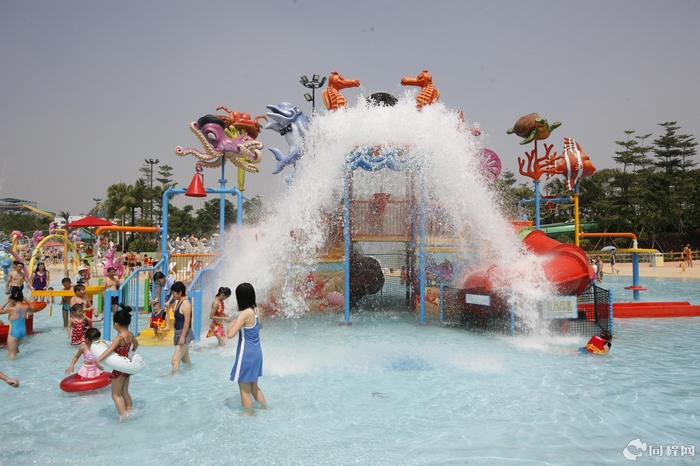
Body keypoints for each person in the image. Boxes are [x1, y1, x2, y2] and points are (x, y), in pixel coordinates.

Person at [227, 283, 267, 414]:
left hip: (246, 354)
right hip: (257, 352)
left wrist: (233, 322)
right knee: (254, 386)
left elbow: (230, 334)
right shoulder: (256, 310)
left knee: (244, 389)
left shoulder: (244, 314)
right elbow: (260, 326)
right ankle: (265, 408)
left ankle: (249, 413)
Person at [95, 305, 139, 418]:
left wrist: (98, 360)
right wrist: (132, 352)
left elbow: (109, 350)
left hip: (119, 369)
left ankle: (124, 416)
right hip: (126, 368)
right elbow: (136, 344)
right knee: (125, 391)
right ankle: (130, 411)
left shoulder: (119, 338)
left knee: (115, 395)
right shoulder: (130, 335)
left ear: (116, 324)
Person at [0, 290, 43, 358]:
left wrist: (6, 301)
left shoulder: (12, 309)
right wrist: (26, 300)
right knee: (16, 350)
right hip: (23, 332)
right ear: (22, 299)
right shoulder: (25, 308)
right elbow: (33, 308)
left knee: (11, 354)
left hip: (14, 332)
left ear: (12, 300)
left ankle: (13, 365)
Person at [169, 281, 194, 373]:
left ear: (179, 292)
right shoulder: (178, 301)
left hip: (184, 334)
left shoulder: (185, 303)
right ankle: (192, 374)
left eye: (173, 293)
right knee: (185, 360)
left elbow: (187, 320)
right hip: (178, 333)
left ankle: (174, 377)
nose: (172, 295)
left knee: (175, 360)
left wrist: (183, 336)